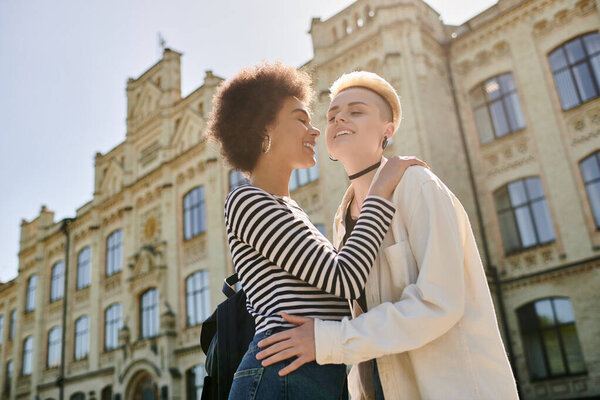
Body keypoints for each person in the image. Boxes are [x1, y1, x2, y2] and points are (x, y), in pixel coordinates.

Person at [255, 71, 520, 400]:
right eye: (333, 115)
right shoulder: (343, 217)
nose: (339, 120)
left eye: (356, 111)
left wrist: (327, 341)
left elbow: (439, 302)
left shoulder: (417, 185)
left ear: (388, 131)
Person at [206, 63, 426, 400]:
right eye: (300, 119)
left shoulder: (289, 210)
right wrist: (380, 191)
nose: (314, 131)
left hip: (308, 374)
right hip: (280, 378)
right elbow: (345, 280)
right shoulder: (247, 200)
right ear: (263, 127)